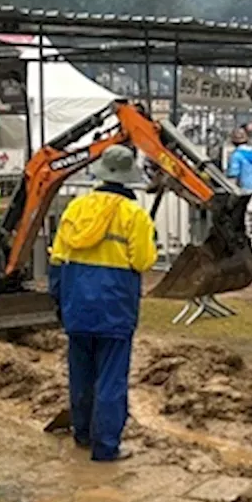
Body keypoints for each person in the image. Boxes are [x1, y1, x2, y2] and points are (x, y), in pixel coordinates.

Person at [49, 145, 158, 462]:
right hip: (115, 306)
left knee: (80, 373)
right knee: (111, 379)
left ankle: (82, 434)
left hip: (76, 303)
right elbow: (143, 261)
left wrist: (59, 300)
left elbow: (57, 259)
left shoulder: (75, 209)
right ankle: (106, 447)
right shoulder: (133, 215)